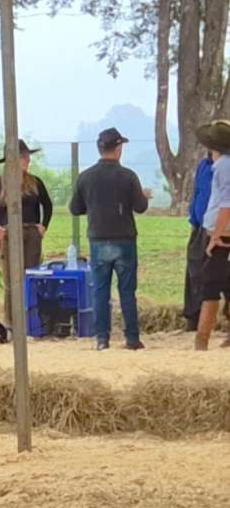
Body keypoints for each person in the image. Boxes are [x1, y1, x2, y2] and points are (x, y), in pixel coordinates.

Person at [68, 128, 151, 351]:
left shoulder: (85, 177)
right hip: (124, 239)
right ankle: (132, 338)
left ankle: (102, 339)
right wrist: (144, 195)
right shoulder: (128, 176)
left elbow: (75, 208)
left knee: (100, 291)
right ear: (118, 148)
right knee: (127, 291)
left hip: (98, 239)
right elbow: (140, 207)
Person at [0, 139, 53, 322]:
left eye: (28, 156)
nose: (28, 160)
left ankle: (32, 321)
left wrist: (43, 225)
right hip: (7, 235)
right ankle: (11, 322)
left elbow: (47, 205)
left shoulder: (35, 182)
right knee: (10, 281)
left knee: (31, 277)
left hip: (31, 233)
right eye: (24, 157)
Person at [194, 121, 230, 350]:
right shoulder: (221, 165)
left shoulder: (224, 166)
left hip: (223, 234)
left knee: (210, 283)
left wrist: (216, 235)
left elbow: (227, 204)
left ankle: (202, 338)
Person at [184, 153, 215, 331]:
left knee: (221, 275)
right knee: (194, 272)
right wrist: (194, 222)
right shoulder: (203, 165)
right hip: (201, 226)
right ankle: (193, 318)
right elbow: (197, 193)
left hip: (222, 227)